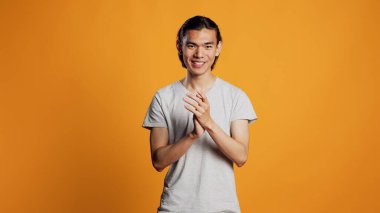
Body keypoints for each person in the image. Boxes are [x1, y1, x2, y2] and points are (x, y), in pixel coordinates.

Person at [142, 15, 258, 213]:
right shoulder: (163, 97)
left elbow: (241, 157)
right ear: (180, 47)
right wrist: (193, 135)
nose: (199, 54)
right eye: (192, 45)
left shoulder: (235, 96)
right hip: (175, 207)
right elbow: (158, 161)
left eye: (207, 46)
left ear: (218, 48)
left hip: (222, 208)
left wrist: (209, 123)